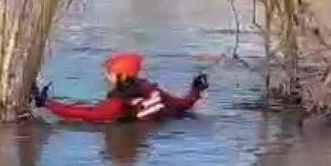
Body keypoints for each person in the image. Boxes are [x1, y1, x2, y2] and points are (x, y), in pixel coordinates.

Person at [30, 52, 208, 123]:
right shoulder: (150, 90)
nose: (105, 76)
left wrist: (47, 104)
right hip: (174, 120)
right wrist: (196, 90)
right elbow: (181, 104)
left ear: (120, 76)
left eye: (109, 73)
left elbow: (87, 114)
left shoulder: (118, 104)